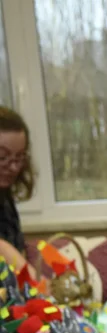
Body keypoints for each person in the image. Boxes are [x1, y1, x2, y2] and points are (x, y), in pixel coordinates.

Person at [0, 108, 34, 276]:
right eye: (2, 157)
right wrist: (37, 284)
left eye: (19, 157)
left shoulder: (5, 197)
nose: (13, 167)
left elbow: (17, 252)